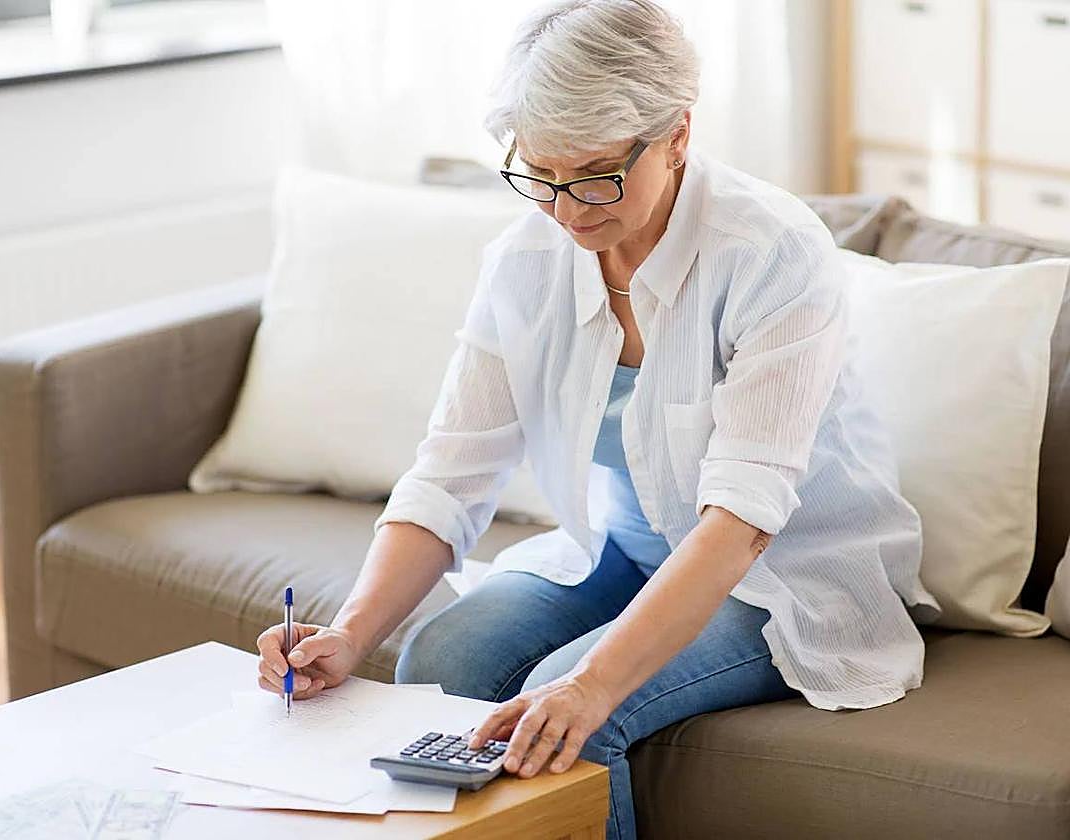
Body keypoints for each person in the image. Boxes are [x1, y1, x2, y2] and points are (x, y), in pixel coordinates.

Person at [255, 2, 941, 837]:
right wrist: (352, 632)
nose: (571, 211)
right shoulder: (527, 260)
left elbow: (742, 521)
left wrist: (590, 686)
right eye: (541, 176)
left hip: (780, 577)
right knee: (444, 657)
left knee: (564, 716)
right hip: (625, 549)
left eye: (596, 176)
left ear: (677, 135)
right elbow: (451, 472)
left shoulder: (771, 254)